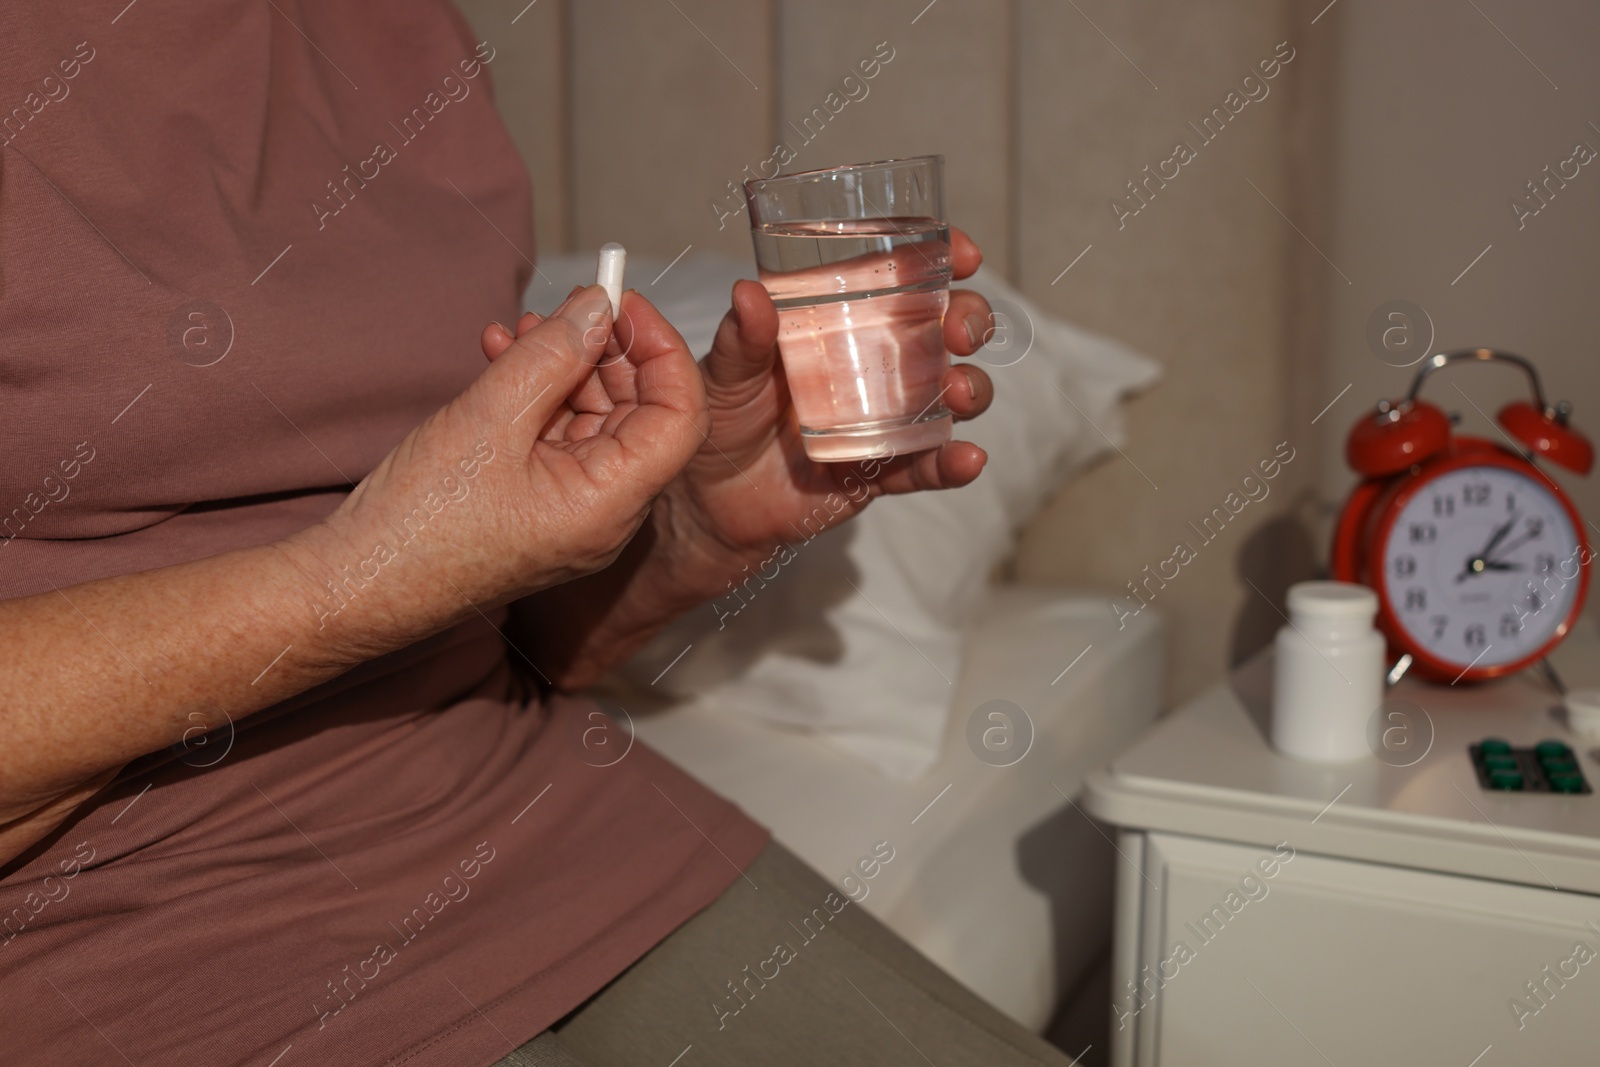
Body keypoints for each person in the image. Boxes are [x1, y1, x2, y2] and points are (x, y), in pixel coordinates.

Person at [0, 3, 1071, 1064]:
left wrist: (688, 528)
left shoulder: (404, 38)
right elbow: (390, 587)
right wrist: (361, 580)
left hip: (540, 825)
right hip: (125, 951)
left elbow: (501, 642)